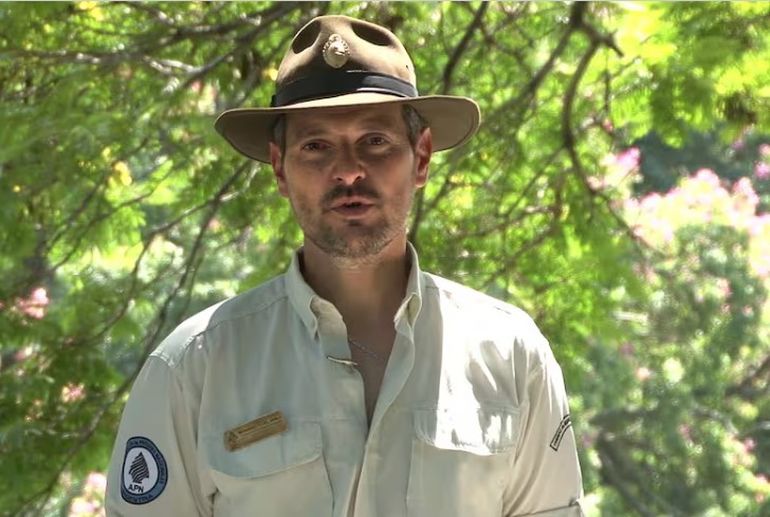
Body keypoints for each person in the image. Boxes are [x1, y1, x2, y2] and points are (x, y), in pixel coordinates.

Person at [106, 15, 584, 517]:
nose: (349, 169)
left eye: (375, 141)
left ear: (421, 159)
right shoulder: (195, 366)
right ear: (279, 168)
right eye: (316, 146)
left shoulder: (510, 355)